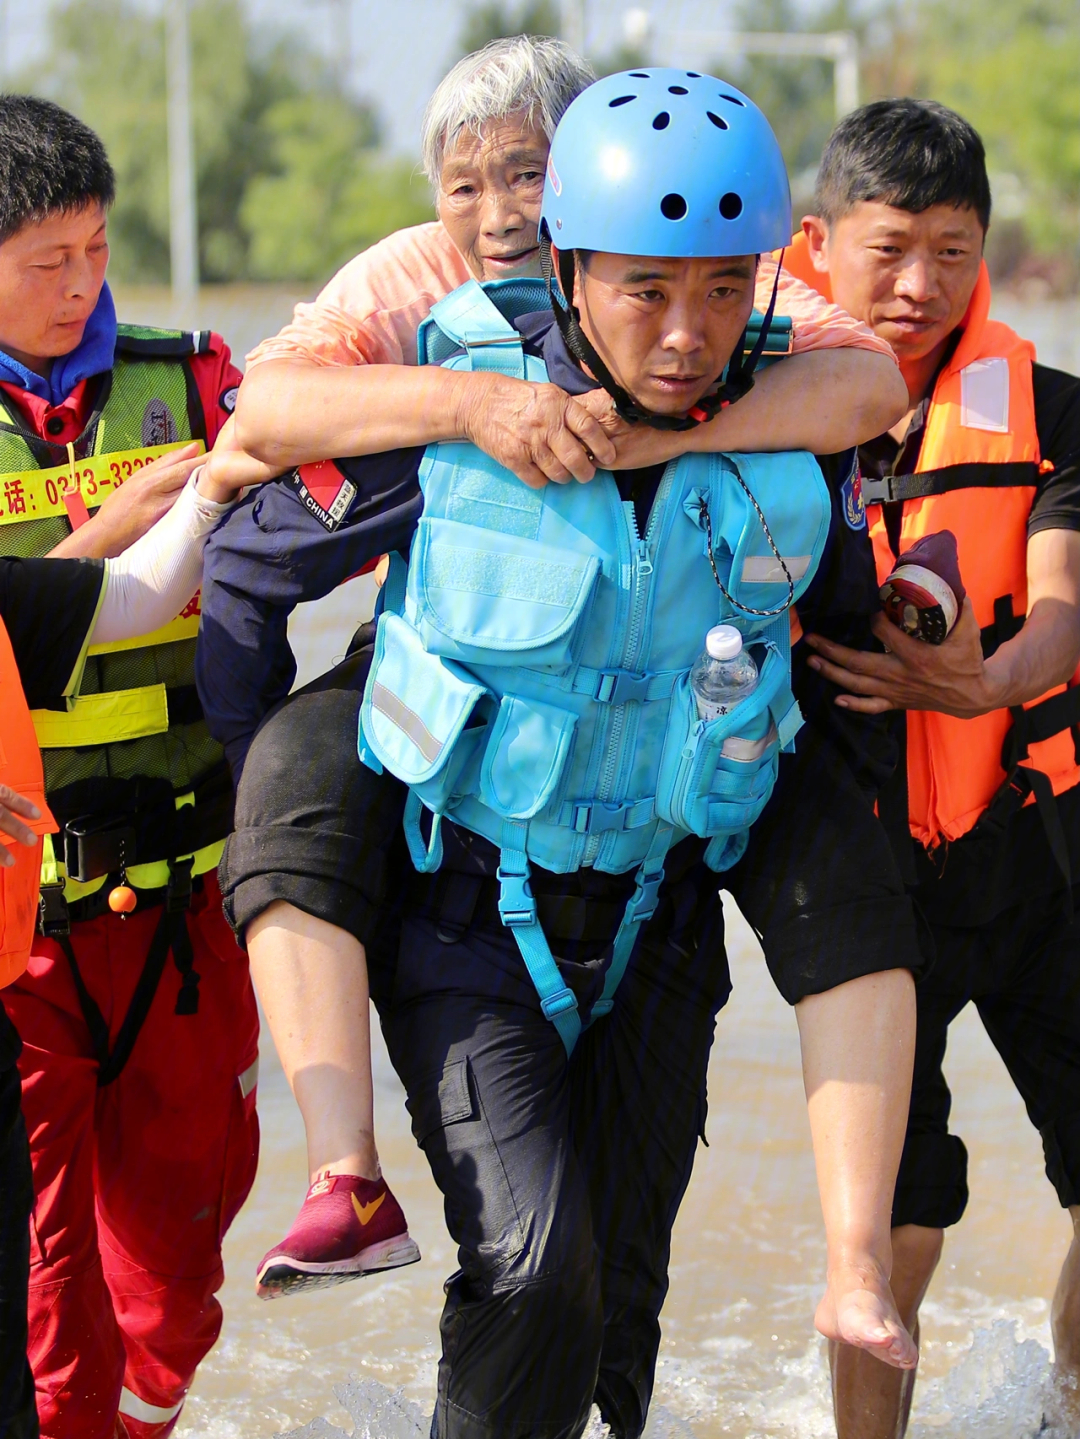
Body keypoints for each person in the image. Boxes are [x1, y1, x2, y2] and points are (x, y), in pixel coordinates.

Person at [200, 67, 925, 1438]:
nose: (688, 332)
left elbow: (832, 637)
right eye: (647, 290)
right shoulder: (447, 408)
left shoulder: (790, 424)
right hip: (474, 913)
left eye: (722, 290)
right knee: (534, 1271)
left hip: (660, 922)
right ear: (573, 269)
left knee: (616, 1323)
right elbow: (252, 541)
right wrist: (262, 779)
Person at [781, 98, 1080, 1437]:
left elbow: (1064, 606)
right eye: (890, 248)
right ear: (817, 244)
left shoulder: (1056, 413)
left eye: (952, 252)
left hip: (1033, 850)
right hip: (855, 869)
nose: (919, 287)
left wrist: (981, 679)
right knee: (903, 1211)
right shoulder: (755, 410)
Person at [0, 96, 264, 1439]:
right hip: (19, 931)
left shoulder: (198, 378)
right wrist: (101, 536)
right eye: (46, 261)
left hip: (184, 904)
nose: (80, 285)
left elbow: (313, 501)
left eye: (96, 251)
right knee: (47, 1299)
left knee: (173, 1289)